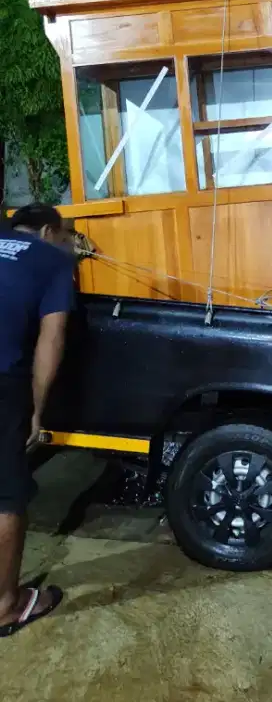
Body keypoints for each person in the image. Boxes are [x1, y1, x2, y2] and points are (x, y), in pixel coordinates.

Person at [0, 204, 74, 637]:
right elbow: (52, 338)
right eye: (65, 235)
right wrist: (37, 410)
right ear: (48, 230)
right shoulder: (52, 259)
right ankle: (6, 606)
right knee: (7, 494)